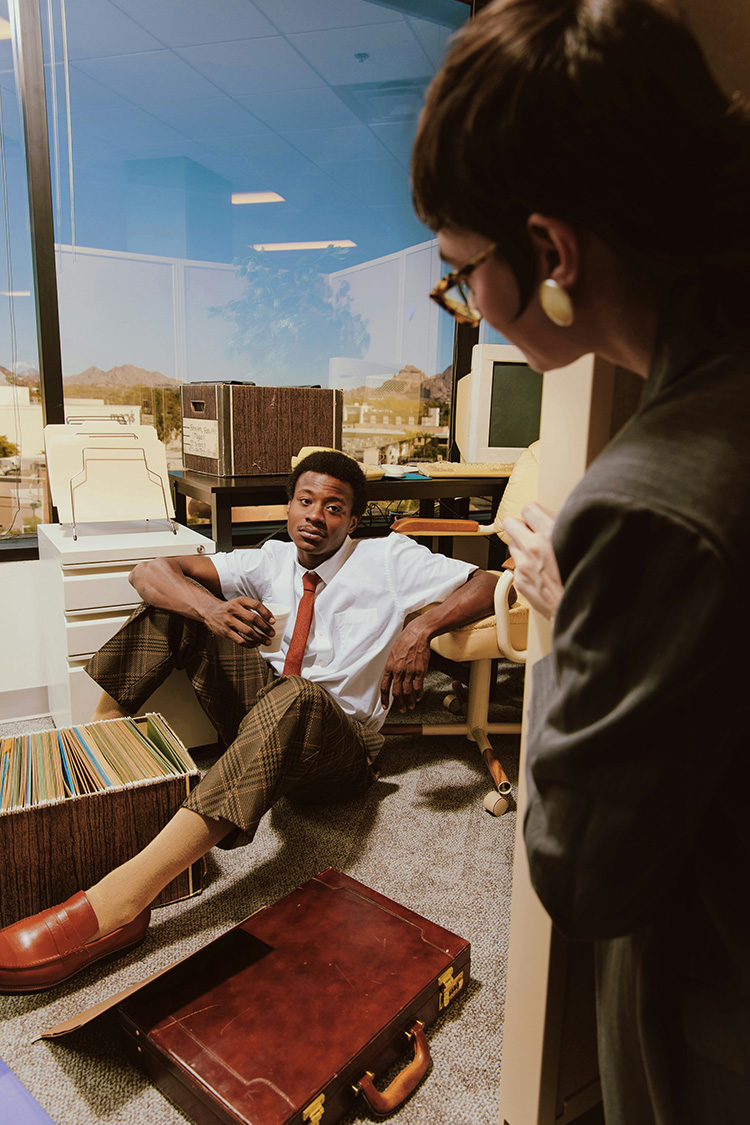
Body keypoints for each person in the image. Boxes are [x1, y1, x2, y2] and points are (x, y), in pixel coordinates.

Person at [410, 1, 750, 1122]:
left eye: (463, 274)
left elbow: (581, 873)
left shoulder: (647, 502)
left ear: (551, 251)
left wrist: (567, 614)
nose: (470, 309)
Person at [0, 450, 497, 994]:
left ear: (353, 521)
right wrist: (210, 609)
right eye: (305, 501)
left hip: (340, 749)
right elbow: (149, 572)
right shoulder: (270, 560)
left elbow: (492, 582)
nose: (315, 516)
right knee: (178, 604)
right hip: (265, 713)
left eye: (334, 508)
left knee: (299, 695)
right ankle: (92, 764)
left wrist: (420, 629)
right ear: (289, 507)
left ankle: (120, 903)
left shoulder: (389, 559)